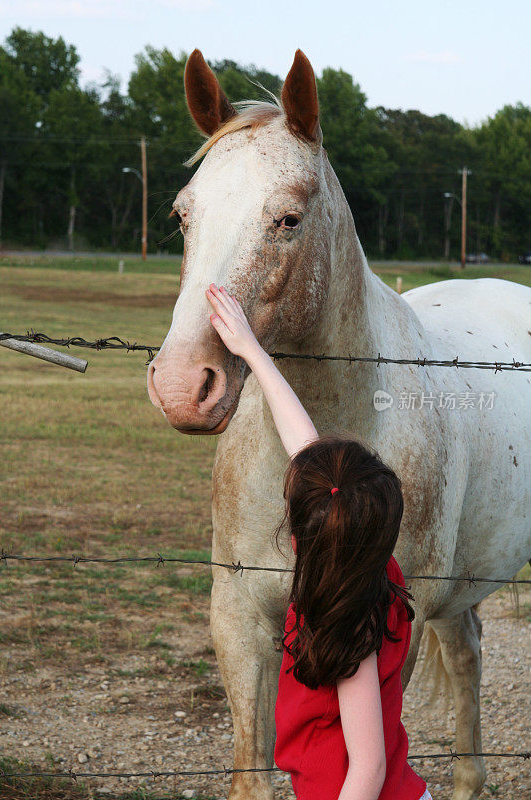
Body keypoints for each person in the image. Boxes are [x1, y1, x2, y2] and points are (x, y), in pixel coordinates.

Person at [205, 282, 432, 800]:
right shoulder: (374, 566)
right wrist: (252, 352)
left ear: (297, 529)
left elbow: (368, 768)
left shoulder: (342, 620)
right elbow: (305, 446)